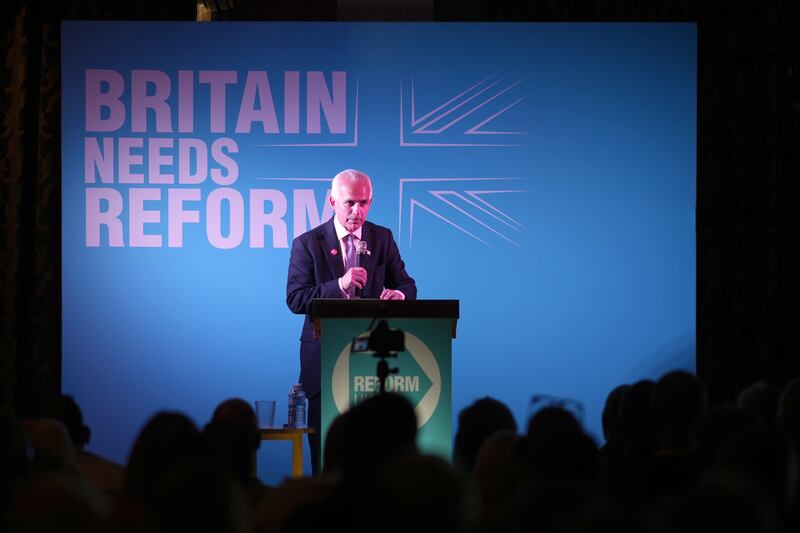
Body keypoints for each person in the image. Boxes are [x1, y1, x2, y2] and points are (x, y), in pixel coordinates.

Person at [286, 169, 417, 473]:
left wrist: (399, 295)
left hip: (370, 365)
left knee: (375, 463)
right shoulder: (308, 243)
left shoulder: (382, 238)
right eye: (350, 203)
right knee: (325, 462)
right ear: (332, 202)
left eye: (364, 202)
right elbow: (295, 298)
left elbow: (407, 284)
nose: (357, 211)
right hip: (324, 363)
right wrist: (340, 286)